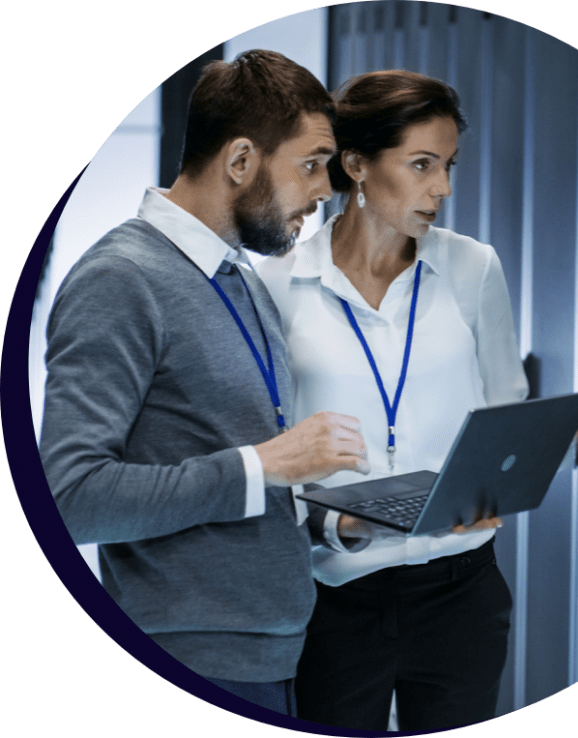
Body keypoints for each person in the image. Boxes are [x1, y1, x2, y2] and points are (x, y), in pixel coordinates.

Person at [38, 50, 370, 718]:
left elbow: (239, 472)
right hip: (187, 662)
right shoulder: (120, 279)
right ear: (241, 161)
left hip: (273, 654)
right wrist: (264, 464)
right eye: (311, 163)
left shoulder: (239, 282)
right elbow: (67, 498)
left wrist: (330, 520)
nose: (325, 189)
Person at [256, 70, 530, 731]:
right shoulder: (276, 283)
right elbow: (260, 447)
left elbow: (505, 410)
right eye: (421, 165)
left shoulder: (473, 268)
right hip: (335, 596)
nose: (443, 188)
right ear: (356, 165)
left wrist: (496, 483)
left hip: (460, 588)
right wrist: (329, 525)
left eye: (448, 166)